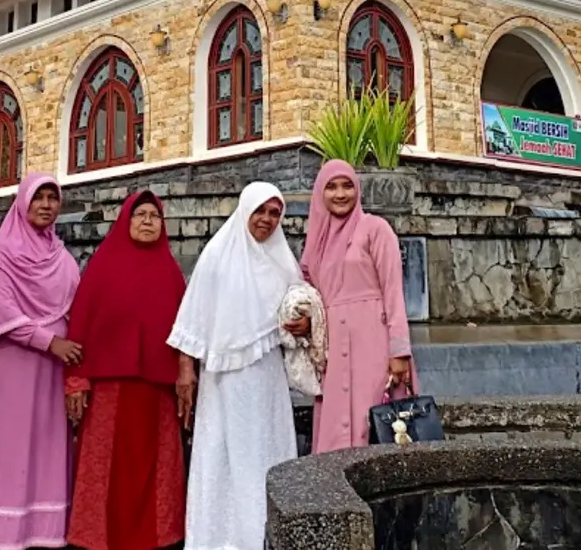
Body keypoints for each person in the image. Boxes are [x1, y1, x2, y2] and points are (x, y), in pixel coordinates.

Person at [168, 181, 303, 550]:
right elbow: (193, 317)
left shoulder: (283, 261)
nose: (267, 219)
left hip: (268, 379)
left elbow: (301, 311)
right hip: (225, 380)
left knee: (266, 450)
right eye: (260, 210)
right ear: (245, 209)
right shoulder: (217, 255)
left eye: (275, 213)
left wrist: (301, 324)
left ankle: (263, 534)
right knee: (223, 454)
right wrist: (186, 372)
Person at [66, 191, 189, 550]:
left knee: (158, 469)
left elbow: (185, 329)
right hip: (108, 389)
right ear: (126, 220)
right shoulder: (102, 267)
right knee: (105, 468)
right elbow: (81, 322)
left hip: (157, 391)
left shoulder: (170, 272)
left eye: (155, 216)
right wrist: (75, 378)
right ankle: (96, 539)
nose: (148, 221)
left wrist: (185, 373)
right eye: (140, 215)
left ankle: (159, 539)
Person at [0, 173, 81, 550]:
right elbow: (1, 312)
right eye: (38, 198)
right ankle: (8, 532)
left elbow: (78, 303)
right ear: (23, 203)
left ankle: (47, 528)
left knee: (49, 440)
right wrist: (49, 342)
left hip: (57, 367)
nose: (45, 205)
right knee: (13, 442)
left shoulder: (61, 256)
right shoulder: (2, 254)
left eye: (51, 198)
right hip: (17, 363)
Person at [300, 159, 415, 453]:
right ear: (319, 194)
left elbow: (393, 291)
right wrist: (305, 324)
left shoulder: (375, 229)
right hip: (334, 351)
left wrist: (399, 350)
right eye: (331, 187)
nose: (340, 194)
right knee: (335, 426)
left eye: (347, 185)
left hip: (373, 346)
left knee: (375, 420)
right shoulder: (316, 243)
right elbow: (313, 297)